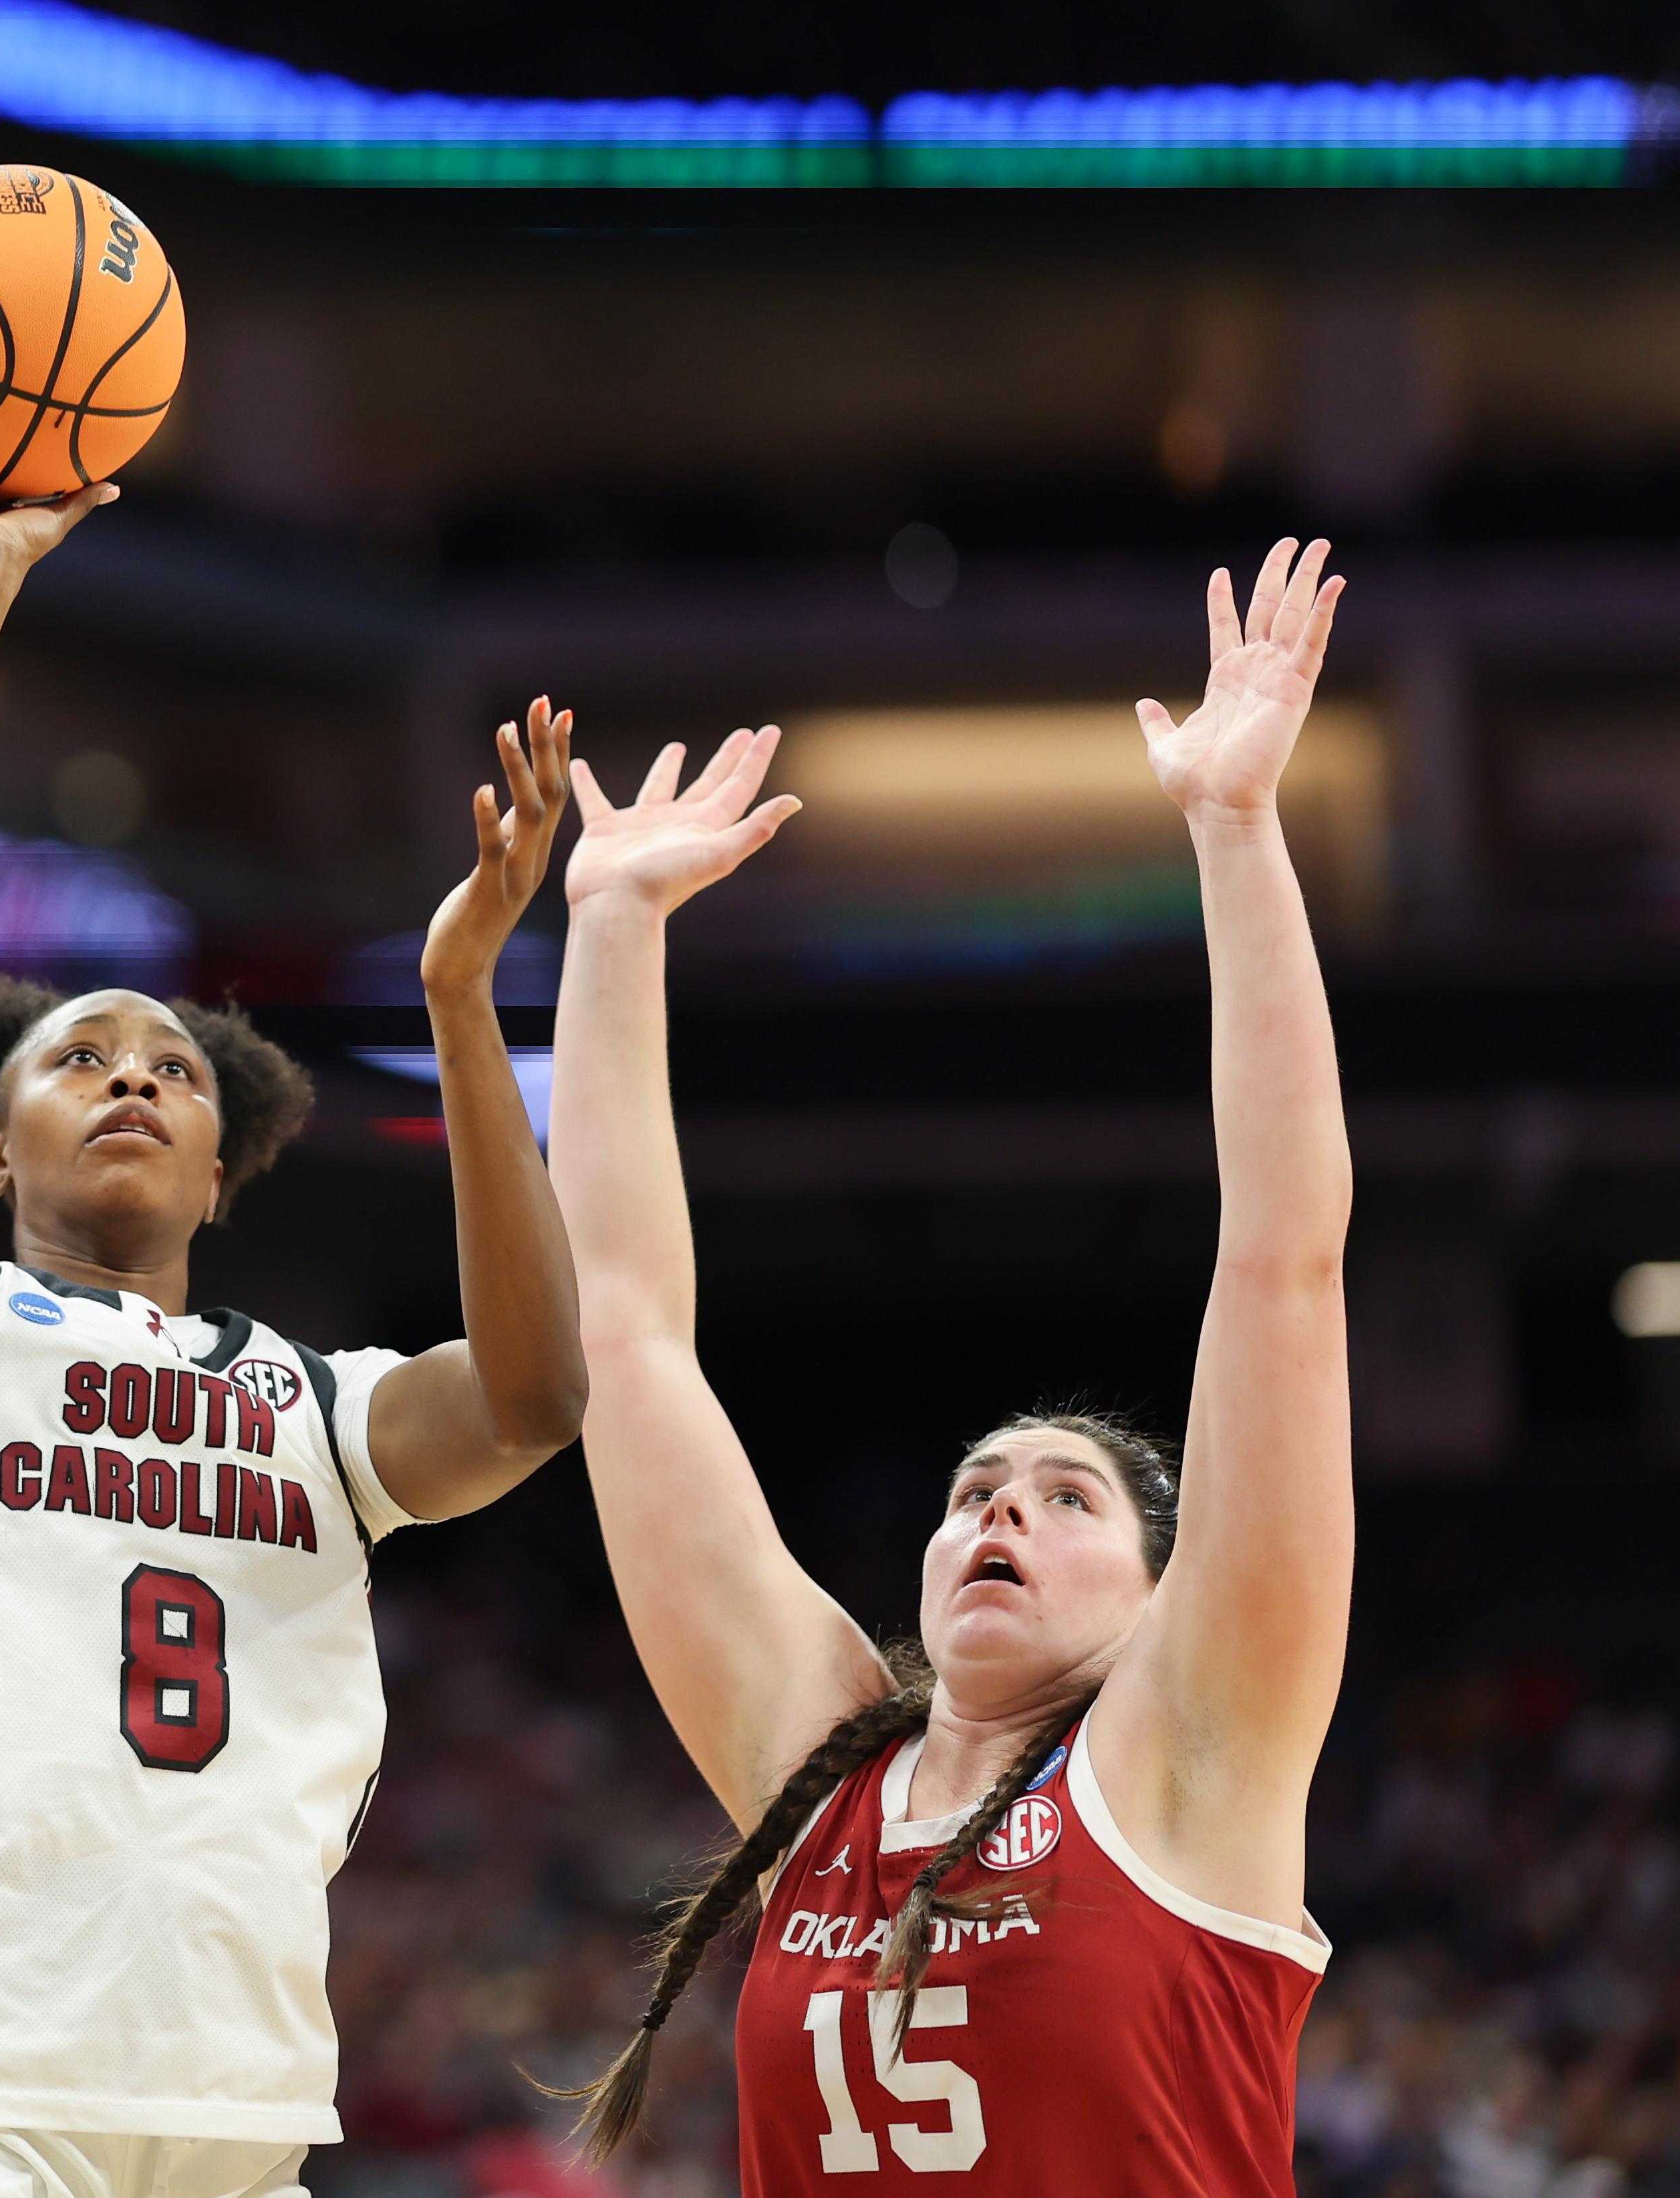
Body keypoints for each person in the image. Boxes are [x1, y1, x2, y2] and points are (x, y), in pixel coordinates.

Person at [0, 420, 589, 2198]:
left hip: (234, 2112)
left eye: (172, 1070)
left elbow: (528, 1396)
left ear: (219, 1173)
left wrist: (455, 1002)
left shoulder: (307, 1401)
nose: (130, 1074)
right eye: (75, 1058)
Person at [547, 541, 1354, 2193]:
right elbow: (624, 1337)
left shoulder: (1191, 1745)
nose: (1002, 1509)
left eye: (1066, 1498)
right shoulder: (819, 1771)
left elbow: (1283, 1252)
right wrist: (614, 929)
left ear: (1155, 1593)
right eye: (977, 1486)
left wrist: (1236, 827)